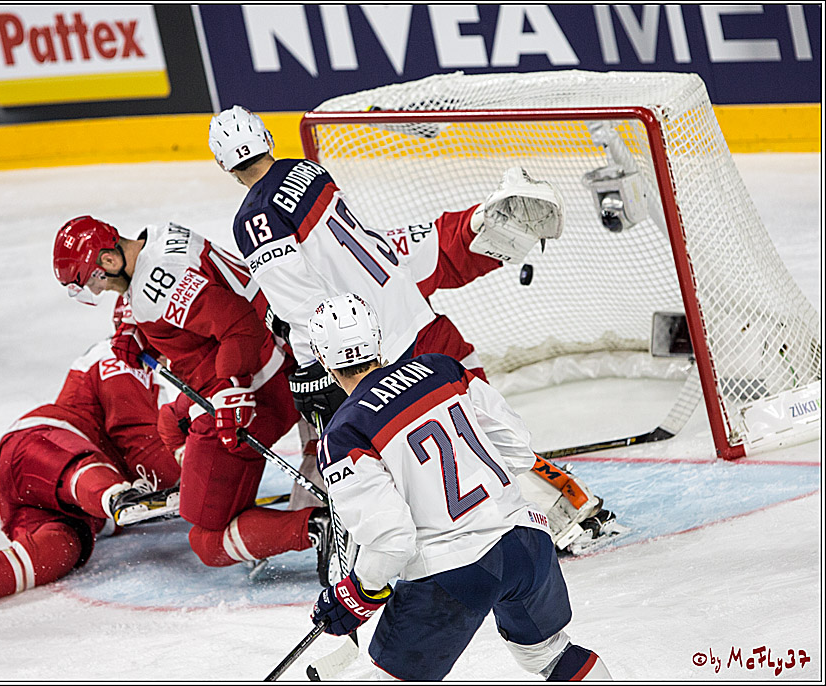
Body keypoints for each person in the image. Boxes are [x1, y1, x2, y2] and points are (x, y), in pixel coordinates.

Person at [208, 105, 614, 552]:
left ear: (222, 165)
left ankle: (531, 523)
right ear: (266, 137)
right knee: (477, 426)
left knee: (433, 451)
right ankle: (570, 499)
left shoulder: (253, 217)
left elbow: (298, 297)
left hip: (372, 343)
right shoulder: (308, 171)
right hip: (413, 312)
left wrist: (312, 362)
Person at [307, 294, 612, 681]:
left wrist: (359, 593)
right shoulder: (442, 368)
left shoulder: (343, 434)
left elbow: (392, 539)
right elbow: (518, 451)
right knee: (551, 655)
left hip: (453, 572)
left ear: (322, 359)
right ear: (378, 341)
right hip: (527, 542)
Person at [52, 216, 339, 585]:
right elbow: (166, 299)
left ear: (108, 261)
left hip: (256, 389)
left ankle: (314, 526)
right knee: (169, 421)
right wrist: (133, 330)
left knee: (207, 541)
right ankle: (230, 484)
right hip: (273, 359)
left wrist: (234, 386)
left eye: (94, 281)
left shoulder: (158, 285)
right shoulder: (154, 236)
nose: (98, 289)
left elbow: (235, 323)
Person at [0, 335, 181, 632]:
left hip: (63, 503)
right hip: (40, 447)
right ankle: (115, 496)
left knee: (59, 549)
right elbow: (140, 442)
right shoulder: (121, 354)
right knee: (86, 471)